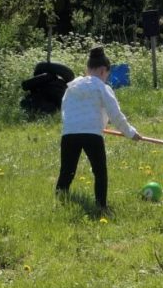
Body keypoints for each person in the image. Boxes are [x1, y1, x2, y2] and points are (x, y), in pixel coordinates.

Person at [56, 46, 141, 211]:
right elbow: (116, 115)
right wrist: (131, 133)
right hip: (92, 135)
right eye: (107, 75)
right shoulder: (102, 88)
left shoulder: (71, 87)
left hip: (69, 134)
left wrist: (75, 126)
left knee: (67, 170)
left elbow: (65, 109)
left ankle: (60, 199)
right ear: (103, 70)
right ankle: (101, 205)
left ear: (87, 69)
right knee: (100, 171)